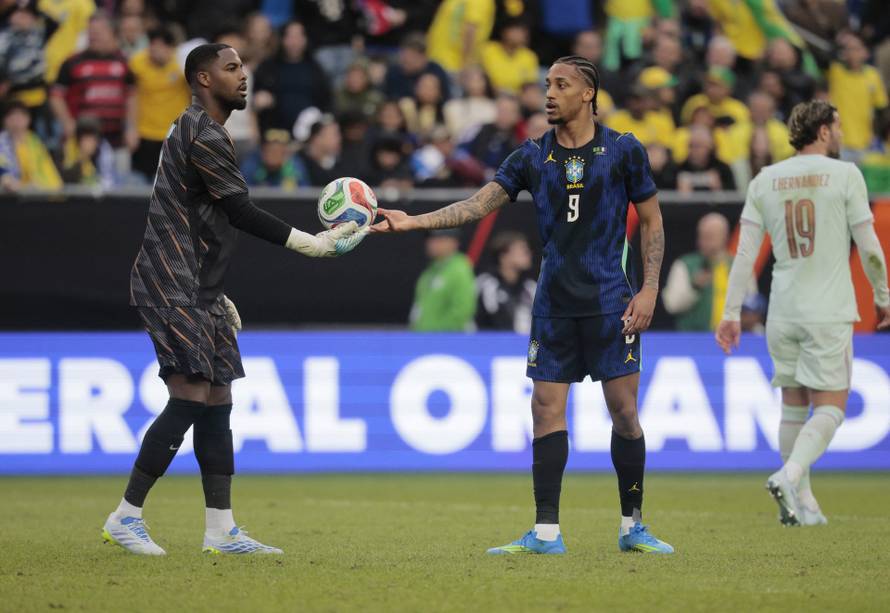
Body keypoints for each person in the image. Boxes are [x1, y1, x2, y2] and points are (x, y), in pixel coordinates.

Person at [373, 55, 672, 555]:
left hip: (611, 302)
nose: (549, 92)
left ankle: (632, 525)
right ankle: (547, 533)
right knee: (545, 411)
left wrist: (649, 290)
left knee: (623, 413)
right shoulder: (531, 157)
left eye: (562, 84)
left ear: (588, 94)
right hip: (553, 302)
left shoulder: (624, 150)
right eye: (547, 84)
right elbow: (475, 206)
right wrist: (412, 222)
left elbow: (654, 223)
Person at [103, 43, 365, 556]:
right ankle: (125, 516)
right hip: (171, 282)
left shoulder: (204, 130)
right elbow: (239, 210)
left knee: (218, 397)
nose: (242, 76)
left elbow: (209, 219)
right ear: (202, 79)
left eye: (243, 67)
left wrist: (216, 293)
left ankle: (221, 531)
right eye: (230, 68)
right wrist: (309, 242)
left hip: (199, 287)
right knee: (192, 393)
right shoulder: (202, 131)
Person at [716, 100, 890, 527]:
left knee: (792, 405)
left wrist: (731, 312)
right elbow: (868, 247)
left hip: (783, 310)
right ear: (825, 131)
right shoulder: (846, 174)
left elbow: (744, 254)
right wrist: (883, 295)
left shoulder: (765, 179)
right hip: (827, 309)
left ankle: (804, 503)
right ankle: (789, 474)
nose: (844, 133)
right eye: (840, 125)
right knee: (832, 406)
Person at [128, 26, 191, 181]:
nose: (155, 50)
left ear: (170, 48)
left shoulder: (181, 63)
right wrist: (131, 128)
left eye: (161, 46)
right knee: (141, 182)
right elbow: (132, 97)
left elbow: (196, 94)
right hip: (145, 133)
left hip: (174, 136)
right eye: (152, 45)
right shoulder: (137, 63)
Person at [662, 212, 735, 331]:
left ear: (725, 237)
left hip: (732, 340)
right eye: (702, 236)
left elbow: (752, 305)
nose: (704, 242)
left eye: (710, 236)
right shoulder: (685, 264)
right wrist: (694, 287)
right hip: (694, 341)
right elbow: (672, 305)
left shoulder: (738, 266)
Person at [828, 33, 888, 162]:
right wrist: (839, 42)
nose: (852, 53)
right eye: (848, 49)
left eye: (856, 48)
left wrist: (877, 136)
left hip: (866, 144)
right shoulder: (835, 71)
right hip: (839, 143)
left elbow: (881, 109)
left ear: (866, 53)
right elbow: (826, 55)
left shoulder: (873, 75)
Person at [409, 228, 477, 331]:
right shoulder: (429, 272)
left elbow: (463, 310)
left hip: (449, 342)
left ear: (454, 243)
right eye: (430, 238)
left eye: (439, 239)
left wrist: (436, 336)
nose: (431, 243)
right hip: (422, 340)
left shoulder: (460, 269)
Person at [476, 231, 536, 333]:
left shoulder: (531, 287)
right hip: (490, 345)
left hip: (526, 346)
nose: (528, 254)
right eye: (522, 250)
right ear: (503, 256)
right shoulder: (485, 284)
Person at [0, 99, 62, 191]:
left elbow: (50, 175)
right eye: (12, 116)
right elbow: (6, 177)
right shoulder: (2, 142)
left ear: (28, 119)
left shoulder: (34, 142)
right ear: (5, 120)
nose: (16, 121)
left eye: (20, 116)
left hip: (38, 196)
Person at [480, 17, 539, 95]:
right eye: (517, 30)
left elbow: (529, 84)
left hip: (518, 99)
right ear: (504, 32)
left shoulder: (529, 56)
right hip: (490, 95)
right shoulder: (488, 50)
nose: (521, 35)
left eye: (523, 31)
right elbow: (481, 79)